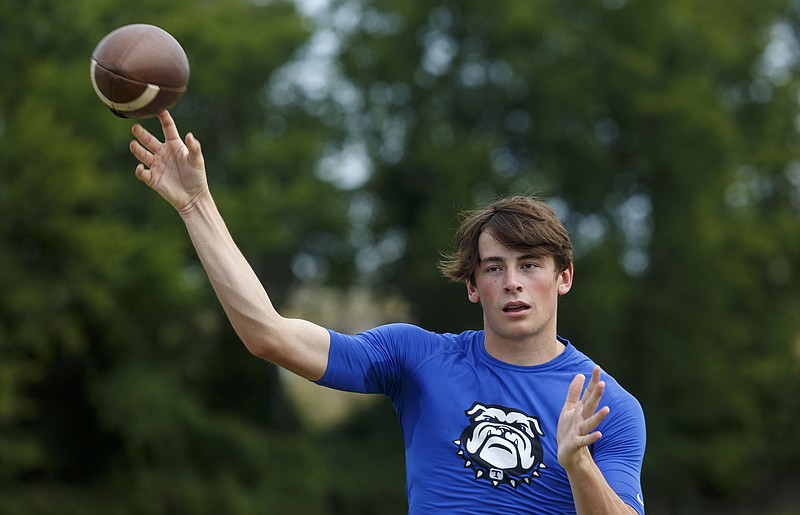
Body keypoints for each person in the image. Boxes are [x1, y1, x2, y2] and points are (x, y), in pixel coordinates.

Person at [129, 111, 646, 514]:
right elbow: (269, 335)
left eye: (529, 264)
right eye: (493, 268)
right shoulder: (417, 357)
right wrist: (196, 204)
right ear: (472, 285)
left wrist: (579, 464)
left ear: (564, 277)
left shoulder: (607, 406)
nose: (511, 281)